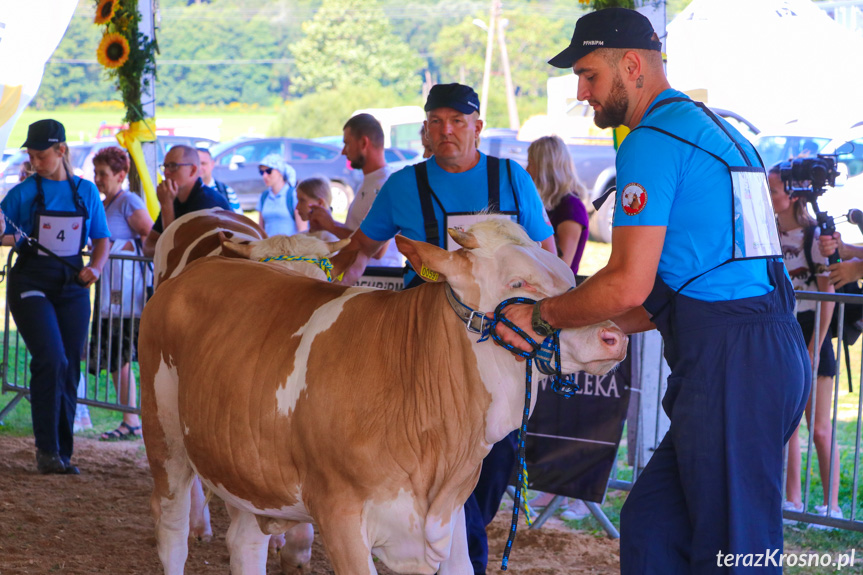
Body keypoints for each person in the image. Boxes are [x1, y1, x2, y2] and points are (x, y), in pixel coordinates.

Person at [493, 9, 809, 574]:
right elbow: (681, 284)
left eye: (589, 75)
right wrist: (589, 322)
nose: (582, 92)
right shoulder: (718, 129)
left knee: (736, 550)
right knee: (654, 526)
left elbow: (625, 282)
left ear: (632, 66)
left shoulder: (650, 139)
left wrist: (540, 315)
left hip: (733, 362)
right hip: (759, 349)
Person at [332, 83, 555, 575]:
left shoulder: (511, 179)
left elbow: (546, 256)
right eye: (436, 122)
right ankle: (464, 556)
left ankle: (462, 536)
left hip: (501, 350)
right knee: (439, 461)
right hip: (423, 353)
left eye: (458, 121)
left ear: (478, 126)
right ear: (425, 130)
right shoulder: (402, 186)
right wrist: (320, 283)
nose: (447, 130)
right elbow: (360, 249)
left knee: (494, 460)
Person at [0, 119, 110, 474]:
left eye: (41, 155)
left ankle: (64, 451)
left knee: (70, 365)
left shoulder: (86, 191)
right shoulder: (23, 192)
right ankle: (46, 450)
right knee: (51, 358)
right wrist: (8, 236)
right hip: (30, 280)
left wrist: (95, 267)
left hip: (72, 284)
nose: (35, 162)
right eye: (30, 155)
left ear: (61, 151)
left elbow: (102, 238)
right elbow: (3, 230)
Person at [768, 164, 842, 526]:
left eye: (774, 189)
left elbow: (828, 293)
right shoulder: (769, 234)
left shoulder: (814, 236)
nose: (769, 197)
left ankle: (832, 506)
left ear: (792, 194)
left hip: (813, 330)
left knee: (820, 427)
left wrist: (815, 345)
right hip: (784, 327)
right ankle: (792, 501)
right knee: (789, 424)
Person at [87, 146, 154, 441]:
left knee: (123, 354)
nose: (98, 179)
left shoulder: (129, 201)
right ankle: (130, 418)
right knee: (115, 356)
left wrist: (122, 248)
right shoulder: (104, 203)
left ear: (121, 175)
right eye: (95, 173)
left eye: (103, 174)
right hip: (108, 293)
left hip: (129, 296)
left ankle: (134, 420)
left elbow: (150, 236)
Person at [308, 113, 401, 267]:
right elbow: (359, 233)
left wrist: (331, 225)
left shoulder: (385, 185)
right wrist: (329, 225)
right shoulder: (370, 181)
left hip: (379, 281)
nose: (343, 151)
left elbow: (376, 250)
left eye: (347, 143)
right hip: (363, 278)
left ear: (364, 143)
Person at [142, 145, 230, 257]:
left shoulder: (207, 202)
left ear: (192, 170)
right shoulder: (174, 199)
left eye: (173, 166)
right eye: (165, 166)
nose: (167, 172)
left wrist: (166, 205)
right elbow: (148, 246)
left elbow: (176, 250)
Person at [526, 135, 589, 275]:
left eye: (530, 163)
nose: (527, 170)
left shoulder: (571, 208)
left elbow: (561, 267)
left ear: (544, 168)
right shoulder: (548, 204)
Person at [257, 153, 303, 237]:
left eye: (268, 171)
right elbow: (260, 230)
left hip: (290, 248)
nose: (264, 176)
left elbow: (302, 231)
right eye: (261, 172)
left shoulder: (293, 195)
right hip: (268, 248)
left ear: (280, 173)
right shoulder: (263, 196)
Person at [197, 147, 242, 214]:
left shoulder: (226, 191)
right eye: (196, 163)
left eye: (203, 163)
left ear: (212, 164)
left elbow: (239, 220)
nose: (199, 167)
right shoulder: (185, 193)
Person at [296, 176, 338, 242]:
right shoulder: (299, 238)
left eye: (302, 200)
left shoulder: (331, 240)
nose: (297, 207)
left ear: (320, 203)